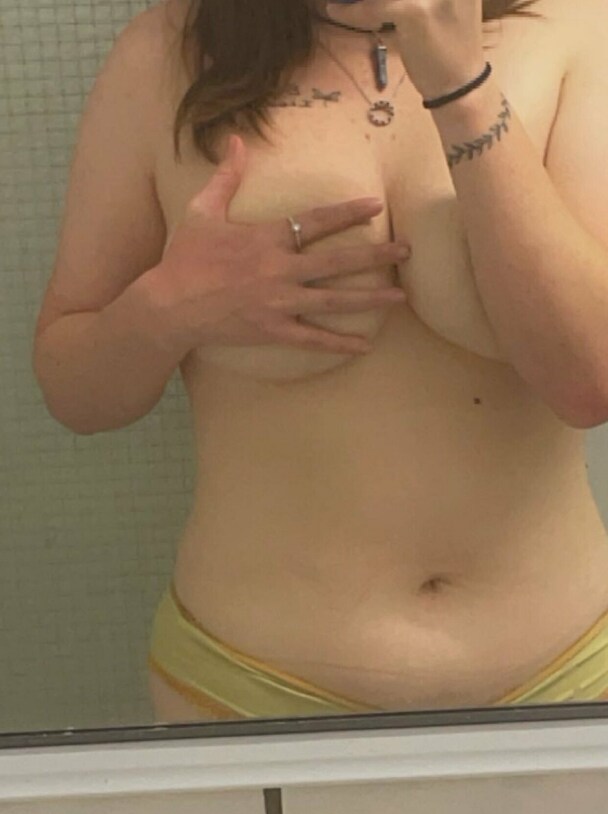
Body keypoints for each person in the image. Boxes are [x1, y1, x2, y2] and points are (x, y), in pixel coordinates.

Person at [33, 0, 608, 720]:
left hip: (566, 673)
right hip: (247, 681)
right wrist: (168, 307)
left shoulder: (573, 30)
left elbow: (590, 380)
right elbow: (74, 392)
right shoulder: (168, 53)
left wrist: (462, 88)